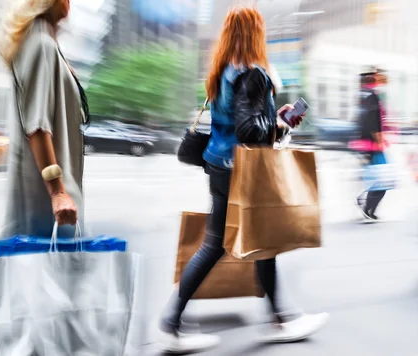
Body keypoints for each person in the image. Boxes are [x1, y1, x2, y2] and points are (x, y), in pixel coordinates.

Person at [158, 7, 329, 354]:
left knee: (229, 244)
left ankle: (278, 317)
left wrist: (272, 114)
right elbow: (248, 129)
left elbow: (240, 117)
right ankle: (175, 323)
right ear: (255, 34)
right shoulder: (253, 73)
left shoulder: (222, 69)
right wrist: (280, 124)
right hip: (242, 171)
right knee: (252, 243)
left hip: (218, 166)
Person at [0, 0, 88, 354]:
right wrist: (57, 191)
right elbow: (37, 125)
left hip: (46, 184)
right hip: (44, 188)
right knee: (32, 264)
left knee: (27, 266)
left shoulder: (45, 44)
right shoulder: (39, 44)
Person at [355, 69, 388, 220]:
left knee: (376, 177)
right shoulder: (373, 96)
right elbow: (374, 122)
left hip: (366, 144)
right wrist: (379, 140)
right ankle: (368, 208)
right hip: (373, 145)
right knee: (382, 180)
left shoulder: (364, 95)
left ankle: (366, 203)